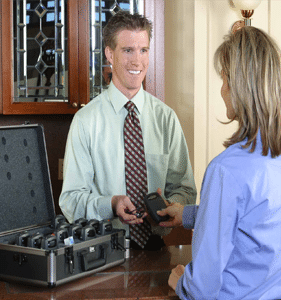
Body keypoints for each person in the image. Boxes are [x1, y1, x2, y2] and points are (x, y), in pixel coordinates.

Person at [158, 26, 281, 298]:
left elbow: (202, 288)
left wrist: (180, 282)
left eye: (224, 79)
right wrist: (187, 214)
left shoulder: (225, 170)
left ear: (239, 86)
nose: (222, 89)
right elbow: (254, 221)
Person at [59, 12, 196, 251]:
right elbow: (70, 200)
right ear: (110, 54)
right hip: (102, 253)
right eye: (128, 50)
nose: (137, 61)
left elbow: (185, 189)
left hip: (159, 249)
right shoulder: (85, 121)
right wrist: (110, 204)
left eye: (143, 50)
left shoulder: (166, 119)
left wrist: (166, 207)